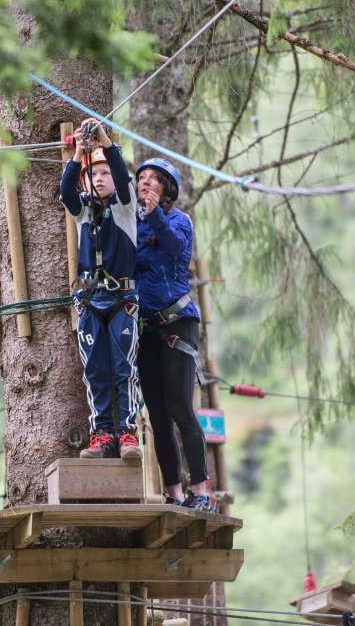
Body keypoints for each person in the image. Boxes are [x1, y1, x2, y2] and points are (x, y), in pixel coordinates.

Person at [134, 157, 215, 512]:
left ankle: (201, 490)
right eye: (141, 179)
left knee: (181, 407)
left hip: (177, 323)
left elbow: (173, 247)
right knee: (156, 414)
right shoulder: (130, 226)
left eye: (154, 179)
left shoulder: (179, 221)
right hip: (146, 330)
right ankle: (175, 493)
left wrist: (153, 214)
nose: (145, 183)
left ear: (168, 187)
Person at [59, 118, 142, 460]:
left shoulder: (125, 207)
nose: (101, 179)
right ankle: (102, 434)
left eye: (105, 174)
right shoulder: (83, 212)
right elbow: (66, 192)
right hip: (90, 299)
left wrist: (105, 141)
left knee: (124, 367)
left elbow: (123, 179)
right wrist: (79, 153)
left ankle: (127, 434)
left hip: (122, 299)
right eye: (94, 175)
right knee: (95, 370)